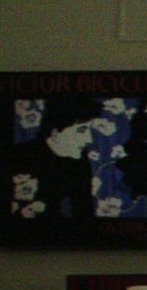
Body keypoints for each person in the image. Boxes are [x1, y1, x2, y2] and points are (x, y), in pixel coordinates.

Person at [7, 93, 104, 225]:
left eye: (90, 131)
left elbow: (83, 215)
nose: (89, 139)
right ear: (55, 131)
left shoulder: (79, 161)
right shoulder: (19, 155)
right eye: (81, 131)